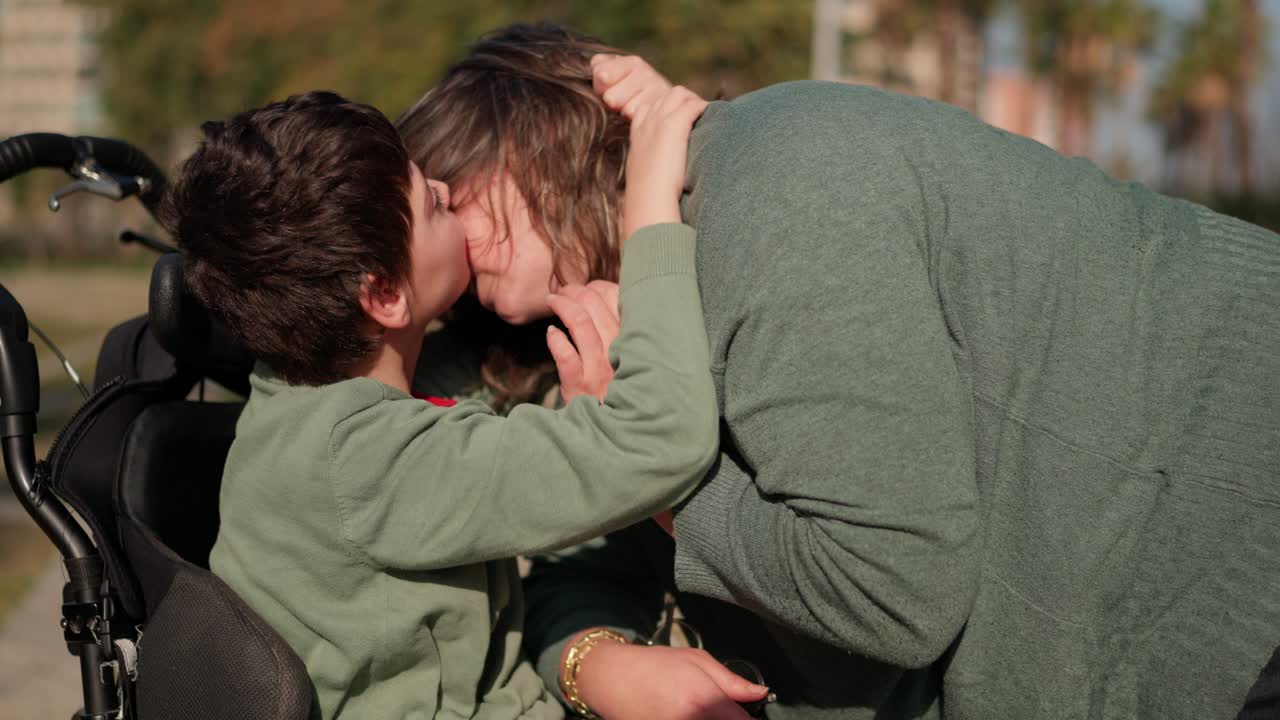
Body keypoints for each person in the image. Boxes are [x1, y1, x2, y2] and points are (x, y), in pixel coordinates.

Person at [397, 23, 1280, 720]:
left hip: (1230, 563)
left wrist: (653, 476)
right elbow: (579, 567)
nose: (435, 241)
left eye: (445, 195)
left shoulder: (776, 189)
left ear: (526, 134)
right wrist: (602, 666)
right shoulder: (590, 318)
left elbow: (890, 589)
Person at [161, 89, 771, 719]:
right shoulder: (377, 462)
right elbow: (663, 439)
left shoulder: (293, 406)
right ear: (385, 292)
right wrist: (649, 211)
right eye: (430, 203)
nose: (451, 194)